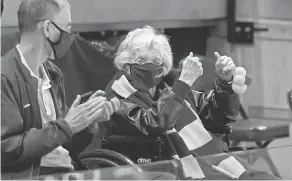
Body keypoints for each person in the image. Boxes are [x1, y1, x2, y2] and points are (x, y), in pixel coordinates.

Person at [104, 26, 279, 180]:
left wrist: (225, 85)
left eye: (157, 61)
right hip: (157, 167)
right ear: (125, 64)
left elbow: (216, 116)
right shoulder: (116, 96)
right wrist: (183, 84)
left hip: (204, 161)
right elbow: (153, 122)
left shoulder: (168, 87)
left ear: (164, 66)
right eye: (141, 60)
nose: (150, 66)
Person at [1, 0, 120, 179]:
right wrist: (67, 125)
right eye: (67, 27)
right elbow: (6, 149)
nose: (70, 35)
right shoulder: (5, 77)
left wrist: (86, 121)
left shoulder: (52, 74)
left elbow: (63, 144)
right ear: (48, 28)